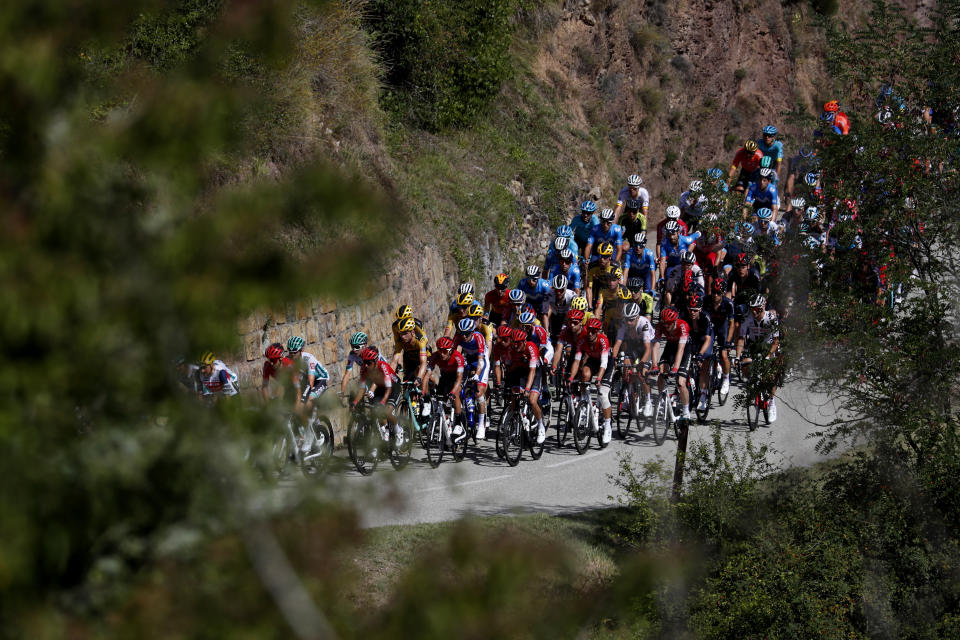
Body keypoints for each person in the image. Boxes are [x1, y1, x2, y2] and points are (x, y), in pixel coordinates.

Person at [493, 327, 547, 444]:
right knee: (514, 395)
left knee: (532, 401)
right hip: (520, 372)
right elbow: (509, 369)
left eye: (518, 343)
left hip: (534, 372)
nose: (515, 345)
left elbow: (532, 371)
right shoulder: (511, 349)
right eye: (514, 342)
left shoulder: (531, 347)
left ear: (523, 342)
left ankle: (541, 426)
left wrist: (527, 389)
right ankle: (514, 422)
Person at [735, 294, 781, 422]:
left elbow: (776, 341)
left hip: (769, 346)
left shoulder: (771, 318)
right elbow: (741, 339)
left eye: (756, 309)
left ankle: (771, 402)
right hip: (754, 346)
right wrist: (737, 357)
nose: (753, 311)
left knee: (770, 375)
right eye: (751, 309)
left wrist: (768, 356)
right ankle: (753, 387)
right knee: (745, 365)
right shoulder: (747, 318)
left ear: (762, 307)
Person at [567, 317, 614, 444]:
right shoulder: (582, 340)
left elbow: (604, 363)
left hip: (606, 364)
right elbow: (577, 361)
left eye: (594, 331)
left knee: (603, 394)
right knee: (584, 375)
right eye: (589, 330)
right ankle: (584, 404)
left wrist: (599, 378)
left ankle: (608, 426)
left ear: (598, 331)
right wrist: (571, 378)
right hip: (593, 361)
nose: (590, 333)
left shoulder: (603, 340)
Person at [611, 301, 655, 417]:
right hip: (632, 345)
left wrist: (641, 363)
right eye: (627, 319)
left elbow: (647, 349)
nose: (629, 322)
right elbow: (617, 344)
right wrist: (613, 360)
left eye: (631, 320)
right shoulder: (624, 323)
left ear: (638, 317)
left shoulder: (644, 323)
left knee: (642, 373)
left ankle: (648, 401)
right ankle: (627, 396)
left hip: (646, 346)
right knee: (625, 367)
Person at [650, 307, 693, 420]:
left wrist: (675, 369)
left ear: (674, 321)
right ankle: (663, 401)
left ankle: (685, 410)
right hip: (670, 347)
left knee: (680, 382)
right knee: (661, 373)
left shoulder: (683, 326)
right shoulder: (660, 326)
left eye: (669, 324)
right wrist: (654, 365)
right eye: (664, 323)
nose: (666, 326)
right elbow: (656, 346)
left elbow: (681, 349)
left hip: (684, 349)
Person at [421, 337, 466, 442]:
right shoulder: (435, 356)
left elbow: (459, 378)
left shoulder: (458, 357)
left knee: (456, 394)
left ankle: (459, 424)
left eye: (445, 351)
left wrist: (453, 392)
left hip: (458, 376)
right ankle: (445, 422)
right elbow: (426, 376)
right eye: (440, 350)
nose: (442, 353)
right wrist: (423, 393)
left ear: (450, 351)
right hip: (446, 375)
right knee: (441, 400)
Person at [453, 318, 490, 439]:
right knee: (458, 387)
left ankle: (481, 424)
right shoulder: (459, 336)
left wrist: (477, 374)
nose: (464, 336)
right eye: (461, 333)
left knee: (479, 392)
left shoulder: (478, 337)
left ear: (472, 332)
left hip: (481, 361)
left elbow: (481, 362)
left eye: (467, 333)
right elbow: (454, 353)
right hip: (468, 359)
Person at [355, 346, 401, 437]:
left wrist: (383, 402)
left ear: (375, 361)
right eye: (364, 362)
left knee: (387, 412)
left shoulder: (383, 366)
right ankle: (386, 433)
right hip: (380, 388)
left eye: (368, 362)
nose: (366, 365)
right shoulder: (364, 369)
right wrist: (355, 402)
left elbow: (389, 388)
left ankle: (398, 431)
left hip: (393, 387)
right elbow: (362, 388)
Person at [681, 294, 715, 412]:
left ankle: (704, 395)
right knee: (688, 363)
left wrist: (700, 355)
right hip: (694, 338)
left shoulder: (705, 317)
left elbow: (707, 340)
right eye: (690, 309)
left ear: (700, 309)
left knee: (704, 361)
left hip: (705, 339)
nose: (692, 312)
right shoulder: (684, 316)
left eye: (695, 310)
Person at [704, 279, 735, 395]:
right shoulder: (706, 300)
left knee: (723, 354)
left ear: (722, 293)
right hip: (711, 327)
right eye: (713, 292)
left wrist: (728, 342)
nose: (715, 295)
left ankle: (726, 379)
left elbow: (732, 324)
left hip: (723, 328)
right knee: (707, 354)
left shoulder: (728, 304)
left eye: (718, 293)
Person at [287, 336, 330, 410]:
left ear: (301, 350)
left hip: (320, 379)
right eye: (290, 352)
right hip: (306, 379)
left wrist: (303, 400)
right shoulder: (288, 360)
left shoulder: (309, 359)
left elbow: (311, 382)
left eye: (294, 352)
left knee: (308, 400)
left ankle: (309, 420)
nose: (292, 354)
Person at [551, 308, 586, 380]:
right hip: (575, 349)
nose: (572, 325)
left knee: (582, 372)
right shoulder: (565, 331)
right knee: (568, 374)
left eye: (575, 323)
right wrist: (554, 366)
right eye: (570, 322)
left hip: (587, 352)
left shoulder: (586, 332)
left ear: (581, 322)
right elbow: (558, 350)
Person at [392, 317, 429, 384]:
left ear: (412, 332)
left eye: (405, 333)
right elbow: (394, 360)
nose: (402, 336)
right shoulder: (400, 342)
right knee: (406, 380)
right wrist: (390, 375)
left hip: (422, 356)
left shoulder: (421, 341)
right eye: (401, 333)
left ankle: (425, 393)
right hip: (410, 357)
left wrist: (419, 378)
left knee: (421, 375)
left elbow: (423, 362)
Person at [544, 274, 576, 341]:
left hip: (567, 315)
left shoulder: (572, 295)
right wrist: (546, 330)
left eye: (561, 290)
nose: (558, 293)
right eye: (556, 290)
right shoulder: (548, 294)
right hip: (554, 314)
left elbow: (575, 313)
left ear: (565, 287)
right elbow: (545, 314)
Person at [585, 242, 615, 309]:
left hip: (611, 289)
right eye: (600, 256)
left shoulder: (615, 267)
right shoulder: (592, 266)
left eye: (604, 257)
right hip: (599, 287)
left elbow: (620, 286)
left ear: (610, 257)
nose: (602, 259)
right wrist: (590, 307)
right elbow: (589, 287)